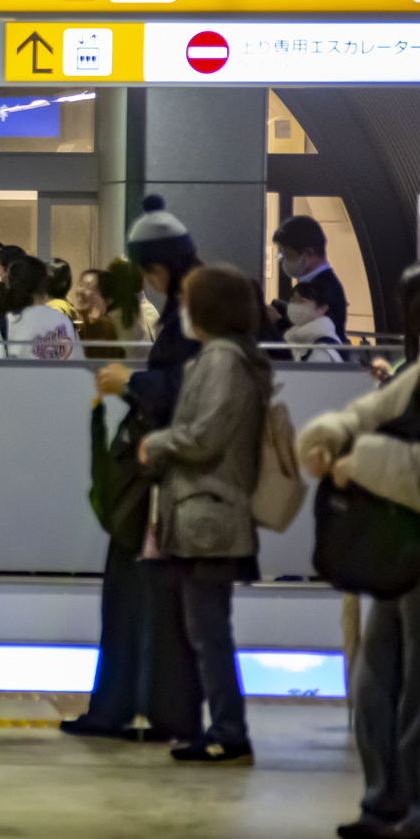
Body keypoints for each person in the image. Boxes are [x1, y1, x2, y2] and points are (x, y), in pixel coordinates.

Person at [65, 195, 206, 744]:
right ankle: (138, 707)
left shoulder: (190, 312)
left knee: (136, 595)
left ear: (161, 266)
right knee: (143, 598)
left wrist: (131, 383)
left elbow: (189, 393)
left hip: (162, 479)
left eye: (149, 271)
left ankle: (132, 707)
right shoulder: (189, 305)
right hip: (162, 478)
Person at [299, 262, 420, 839]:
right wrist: (331, 434)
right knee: (379, 674)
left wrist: (361, 460)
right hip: (402, 548)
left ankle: (412, 805)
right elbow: (367, 415)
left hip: (409, 546)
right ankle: (386, 799)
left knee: (413, 681)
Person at [135, 264, 268, 764]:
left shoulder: (223, 362)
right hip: (208, 512)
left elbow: (207, 434)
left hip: (208, 514)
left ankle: (229, 731)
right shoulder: (228, 358)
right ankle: (223, 726)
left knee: (209, 631)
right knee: (206, 630)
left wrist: (158, 442)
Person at [0, 255, 80, 360]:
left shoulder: (4, 325)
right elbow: (78, 364)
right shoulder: (64, 321)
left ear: (10, 285)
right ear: (44, 283)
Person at [272, 214, 349, 338]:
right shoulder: (313, 282)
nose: (285, 262)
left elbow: (313, 334)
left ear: (308, 253)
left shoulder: (325, 288)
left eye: (288, 256)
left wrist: (277, 320)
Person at [284, 280, 345, 362]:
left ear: (322, 308)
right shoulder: (294, 337)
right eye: (292, 300)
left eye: (302, 301)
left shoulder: (324, 346)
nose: (295, 305)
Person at [73, 267, 126, 359]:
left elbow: (94, 365)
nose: (81, 291)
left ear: (107, 299)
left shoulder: (106, 327)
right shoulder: (77, 320)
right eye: (81, 284)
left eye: (89, 287)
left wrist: (94, 324)